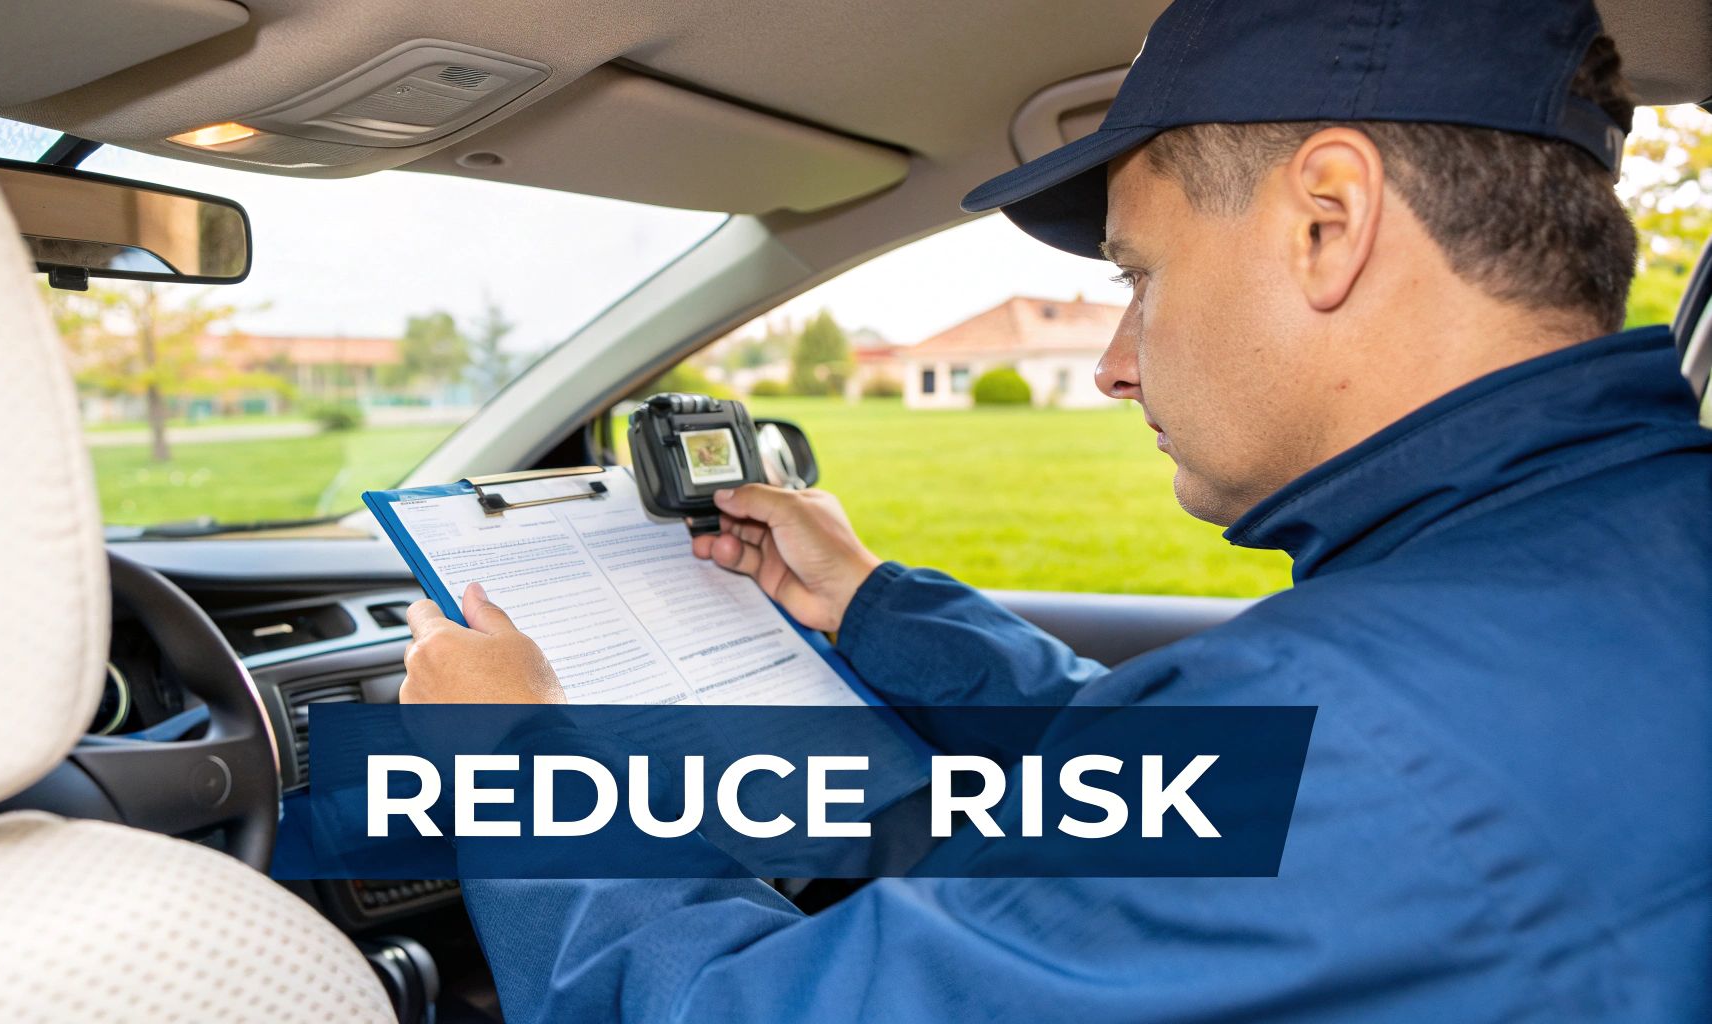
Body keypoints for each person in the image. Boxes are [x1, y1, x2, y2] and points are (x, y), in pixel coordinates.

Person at [398, 0, 1712, 1019]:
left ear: (1330, 219)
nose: (1114, 360)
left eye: (1142, 274)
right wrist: (870, 604)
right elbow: (1194, 784)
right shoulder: (1614, 560)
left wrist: (518, 760)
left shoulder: (1366, 738)